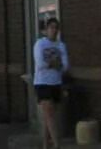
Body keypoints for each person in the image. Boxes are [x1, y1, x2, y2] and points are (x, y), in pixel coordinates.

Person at [35, 18, 69, 149]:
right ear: (46, 30)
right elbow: (40, 64)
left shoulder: (61, 45)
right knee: (49, 114)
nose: (54, 30)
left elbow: (65, 66)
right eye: (51, 27)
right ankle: (57, 144)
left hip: (56, 82)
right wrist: (54, 63)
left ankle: (45, 145)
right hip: (43, 83)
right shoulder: (40, 44)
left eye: (56, 28)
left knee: (48, 116)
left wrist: (55, 64)